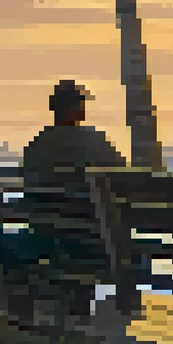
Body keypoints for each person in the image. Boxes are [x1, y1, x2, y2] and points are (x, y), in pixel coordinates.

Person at [18, 80, 128, 320]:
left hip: (48, 238)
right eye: (81, 103)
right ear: (73, 108)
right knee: (127, 251)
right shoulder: (94, 141)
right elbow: (123, 177)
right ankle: (127, 309)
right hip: (88, 241)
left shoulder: (36, 146)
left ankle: (73, 311)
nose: (84, 108)